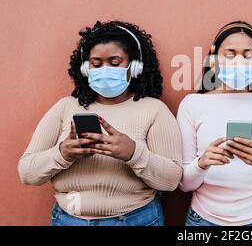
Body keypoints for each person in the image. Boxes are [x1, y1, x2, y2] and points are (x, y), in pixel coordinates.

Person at [18, 20, 182, 226]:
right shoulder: (65, 107)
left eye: (115, 63)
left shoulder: (154, 110)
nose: (105, 70)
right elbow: (27, 173)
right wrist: (62, 154)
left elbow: (172, 181)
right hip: (68, 221)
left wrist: (133, 153)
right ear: (86, 69)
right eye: (96, 64)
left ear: (135, 66)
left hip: (134, 220)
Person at [177, 21, 252, 226]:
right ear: (214, 59)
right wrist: (202, 163)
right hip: (203, 220)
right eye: (229, 54)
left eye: (248, 55)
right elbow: (185, 184)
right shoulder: (192, 104)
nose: (239, 61)